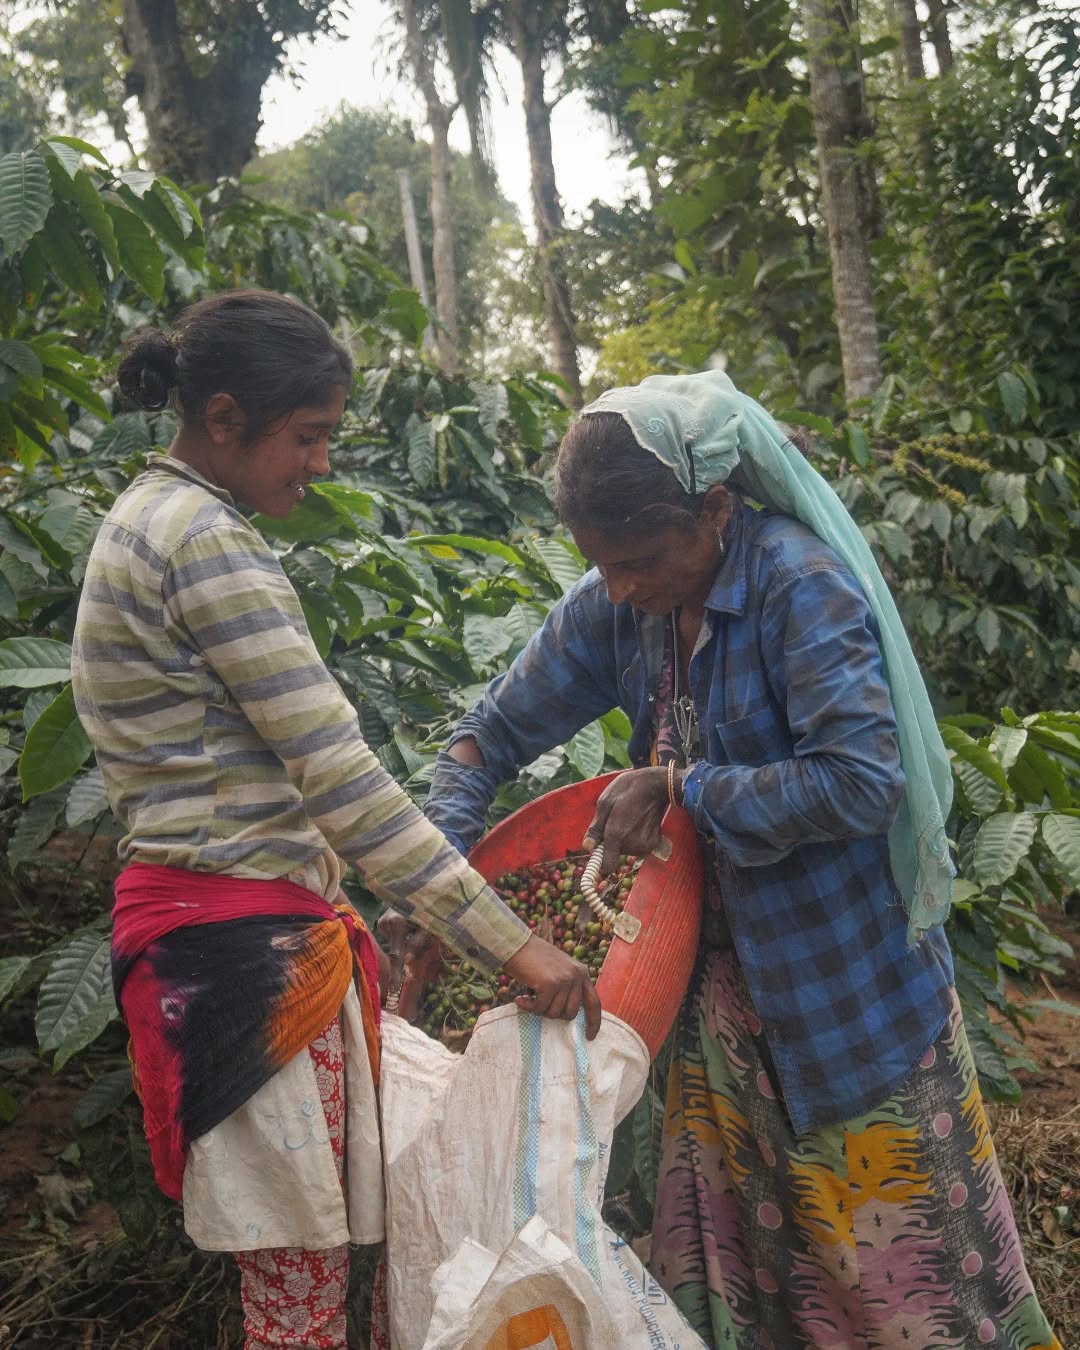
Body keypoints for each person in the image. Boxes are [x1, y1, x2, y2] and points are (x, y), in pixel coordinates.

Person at [424, 370, 1060, 1350]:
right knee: (746, 1272)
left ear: (715, 510)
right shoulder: (618, 601)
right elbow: (489, 732)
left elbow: (859, 780)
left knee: (902, 1282)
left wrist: (684, 786)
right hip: (705, 1003)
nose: (623, 589)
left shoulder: (796, 586)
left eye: (640, 560)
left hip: (839, 995)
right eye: (604, 565)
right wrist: (434, 881)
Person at [71, 289, 599, 1350]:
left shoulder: (140, 519)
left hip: (211, 939)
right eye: (306, 438)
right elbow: (341, 780)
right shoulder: (206, 542)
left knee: (289, 1282)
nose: (319, 465)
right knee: (300, 1296)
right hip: (248, 959)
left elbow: (252, 780)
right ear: (224, 419)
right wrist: (511, 942)